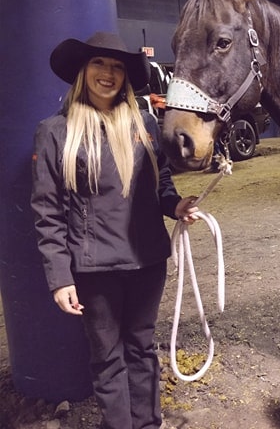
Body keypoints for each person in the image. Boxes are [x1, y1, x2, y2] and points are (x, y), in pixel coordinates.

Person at [31, 31, 199, 429]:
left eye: (117, 67)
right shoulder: (55, 131)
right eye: (99, 64)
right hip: (93, 270)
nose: (108, 74)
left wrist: (175, 206)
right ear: (83, 71)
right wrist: (59, 278)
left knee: (142, 349)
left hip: (146, 262)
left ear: (125, 77)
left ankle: (148, 424)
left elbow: (160, 184)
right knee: (107, 358)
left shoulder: (142, 124)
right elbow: (46, 211)